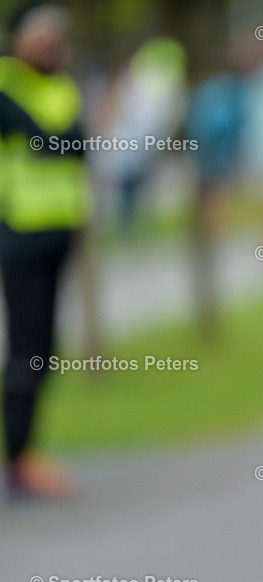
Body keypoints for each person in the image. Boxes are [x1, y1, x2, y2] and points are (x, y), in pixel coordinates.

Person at [0, 2, 88, 498]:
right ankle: (18, 460)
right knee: (26, 349)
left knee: (44, 352)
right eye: (44, 32)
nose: (55, 41)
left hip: (59, 231)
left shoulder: (62, 86)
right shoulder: (6, 83)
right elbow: (46, 142)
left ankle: (27, 451)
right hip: (19, 231)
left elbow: (76, 146)